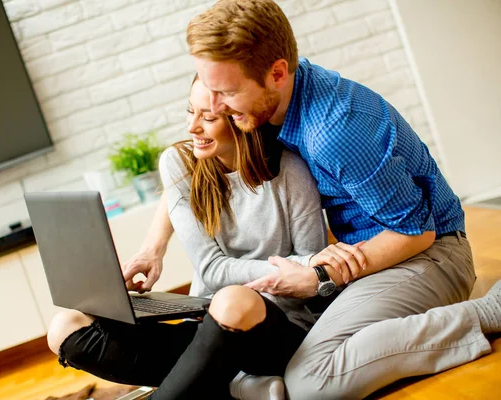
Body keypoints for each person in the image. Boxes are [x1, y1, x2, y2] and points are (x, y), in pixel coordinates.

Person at [122, 0, 501, 398]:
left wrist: (319, 276)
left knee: (310, 384)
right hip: (371, 255)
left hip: (431, 253)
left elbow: (417, 232)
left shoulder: (334, 133)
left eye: (225, 92)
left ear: (277, 74)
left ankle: (486, 312)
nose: (214, 107)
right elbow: (193, 167)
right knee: (296, 361)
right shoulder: (269, 96)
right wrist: (154, 247)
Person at [46, 75, 334, 400]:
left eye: (207, 118)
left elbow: (309, 281)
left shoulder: (291, 172)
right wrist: (296, 266)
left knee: (232, 299)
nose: (192, 127)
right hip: (204, 325)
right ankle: (209, 382)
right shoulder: (181, 164)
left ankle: (198, 383)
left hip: (273, 330)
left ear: (243, 119)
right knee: (65, 327)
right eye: (190, 111)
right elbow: (213, 269)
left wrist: (303, 268)